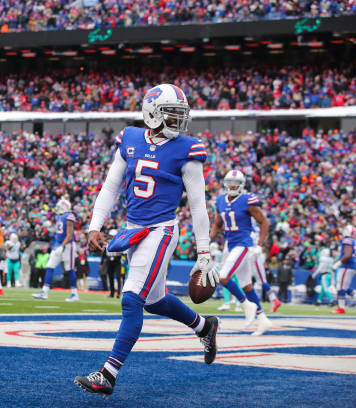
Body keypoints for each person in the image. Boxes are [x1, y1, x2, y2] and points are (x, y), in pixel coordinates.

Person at [74, 84, 219, 397]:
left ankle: (108, 374)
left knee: (131, 299)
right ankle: (204, 326)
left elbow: (198, 205)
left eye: (180, 113)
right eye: (170, 112)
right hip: (132, 230)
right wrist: (94, 225)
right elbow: (111, 186)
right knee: (153, 301)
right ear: (151, 111)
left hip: (161, 230)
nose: (177, 120)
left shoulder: (188, 148)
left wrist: (204, 252)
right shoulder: (130, 138)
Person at [211, 170, 271, 336]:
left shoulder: (248, 200)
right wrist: (207, 240)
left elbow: (264, 222)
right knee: (246, 285)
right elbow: (218, 223)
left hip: (244, 244)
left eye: (236, 182)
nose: (232, 185)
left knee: (222, 276)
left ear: (242, 185)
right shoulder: (221, 200)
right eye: (230, 181)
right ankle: (263, 320)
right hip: (231, 244)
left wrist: (259, 245)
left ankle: (246, 304)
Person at [32, 198, 79, 301]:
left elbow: (70, 235)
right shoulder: (59, 216)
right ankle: (44, 291)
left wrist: (62, 246)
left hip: (68, 246)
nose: (57, 208)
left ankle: (75, 294)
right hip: (58, 245)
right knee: (50, 266)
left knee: (69, 269)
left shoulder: (69, 216)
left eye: (59, 206)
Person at [251, 224, 282, 312]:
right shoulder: (254, 228)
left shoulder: (252, 229)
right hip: (253, 254)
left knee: (261, 281)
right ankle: (273, 300)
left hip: (254, 254)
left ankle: (273, 300)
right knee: (248, 281)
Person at [332, 225, 356, 314]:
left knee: (341, 287)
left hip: (347, 266)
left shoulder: (347, 240)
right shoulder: (353, 241)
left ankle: (341, 308)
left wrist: (338, 264)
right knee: (344, 287)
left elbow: (348, 255)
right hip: (351, 266)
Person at [101, 229, 123, 298]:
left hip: (117, 261)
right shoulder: (106, 243)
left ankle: (119, 293)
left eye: (113, 236)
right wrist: (101, 263)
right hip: (109, 261)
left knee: (118, 277)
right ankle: (112, 293)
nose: (112, 237)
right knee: (110, 277)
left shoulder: (119, 242)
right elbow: (104, 253)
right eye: (111, 236)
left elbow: (122, 252)